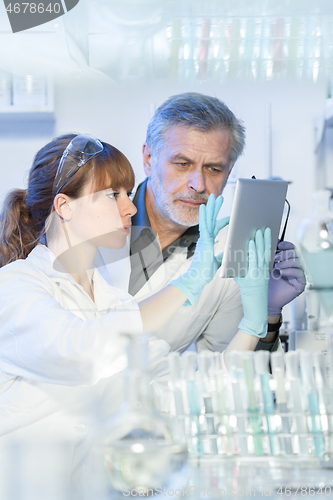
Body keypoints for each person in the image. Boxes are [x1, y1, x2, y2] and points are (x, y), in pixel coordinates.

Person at [0, 133, 270, 472]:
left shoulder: (114, 303)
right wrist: (188, 283)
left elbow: (186, 399)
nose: (130, 207)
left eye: (127, 194)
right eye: (114, 195)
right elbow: (82, 354)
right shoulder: (14, 287)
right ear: (64, 206)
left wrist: (254, 325)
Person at [99, 92, 306, 353]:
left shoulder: (229, 254)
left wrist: (268, 314)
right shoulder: (92, 225)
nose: (198, 184)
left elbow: (227, 372)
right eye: (182, 163)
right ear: (148, 159)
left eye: (214, 169)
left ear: (229, 172)